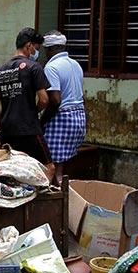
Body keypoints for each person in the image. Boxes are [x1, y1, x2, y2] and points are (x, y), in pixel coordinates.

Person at [0, 27, 53, 169]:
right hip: (29, 129)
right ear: (29, 46)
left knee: (13, 169)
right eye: (36, 48)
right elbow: (44, 100)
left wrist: (0, 128)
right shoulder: (34, 67)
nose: (36, 53)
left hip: (7, 131)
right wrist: (34, 111)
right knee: (48, 168)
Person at [40, 30, 86, 185]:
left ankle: (59, 201)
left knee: (54, 168)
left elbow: (55, 100)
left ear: (49, 49)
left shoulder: (51, 67)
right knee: (66, 165)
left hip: (62, 120)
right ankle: (68, 197)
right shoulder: (76, 65)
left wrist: (41, 122)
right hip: (79, 118)